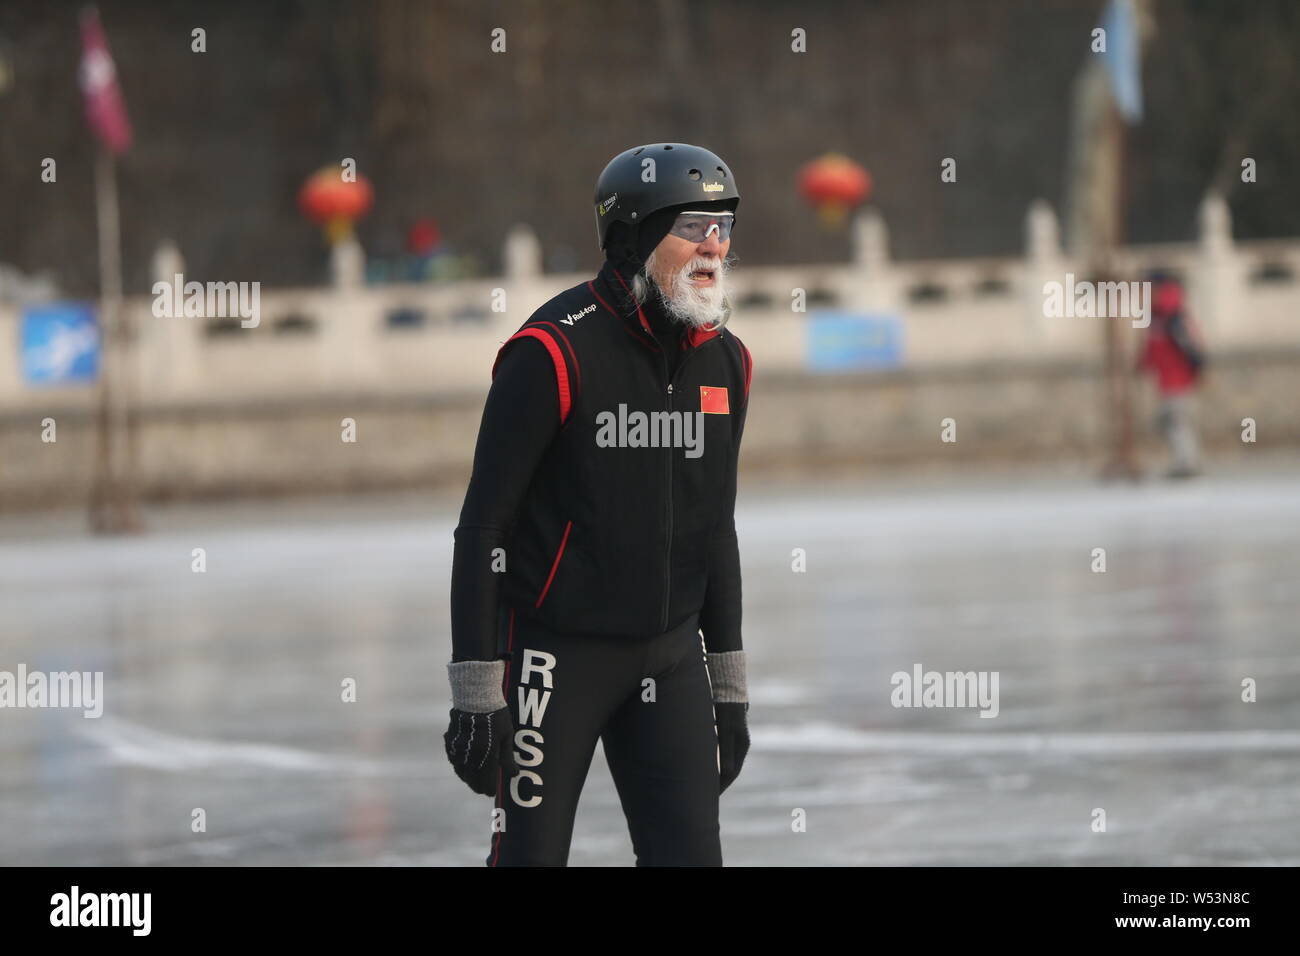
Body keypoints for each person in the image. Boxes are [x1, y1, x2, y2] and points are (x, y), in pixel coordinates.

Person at [443, 143, 753, 866]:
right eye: (694, 226)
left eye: (726, 225)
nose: (716, 245)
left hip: (671, 659)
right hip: (554, 657)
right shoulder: (552, 352)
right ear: (635, 237)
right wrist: (476, 690)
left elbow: (716, 529)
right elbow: (483, 526)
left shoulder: (727, 362)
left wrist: (729, 686)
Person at [1137, 274, 1206, 478]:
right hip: (1165, 380)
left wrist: (1198, 370)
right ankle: (1183, 460)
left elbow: (1191, 347)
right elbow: (1152, 348)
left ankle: (1187, 463)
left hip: (1178, 379)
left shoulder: (1173, 317)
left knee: (1177, 421)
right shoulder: (1155, 317)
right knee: (1168, 422)